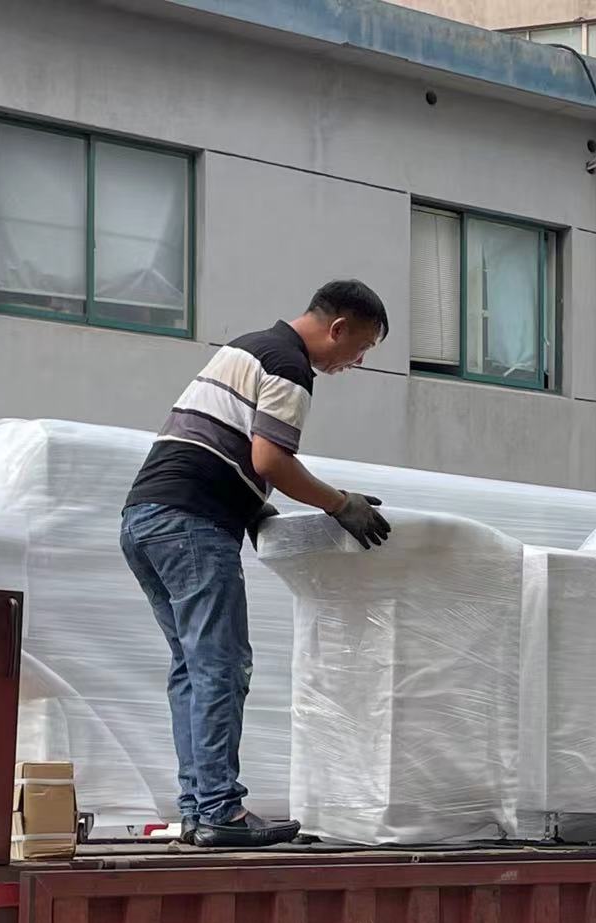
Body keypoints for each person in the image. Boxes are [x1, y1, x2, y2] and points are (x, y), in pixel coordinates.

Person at [120, 280, 394, 848]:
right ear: (338, 328)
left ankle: (200, 811)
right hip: (191, 523)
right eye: (361, 347)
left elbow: (221, 448)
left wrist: (253, 504)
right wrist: (340, 504)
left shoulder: (248, 347)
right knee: (221, 666)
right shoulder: (288, 364)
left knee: (193, 668)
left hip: (146, 519)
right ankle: (220, 810)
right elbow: (271, 458)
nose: (358, 362)